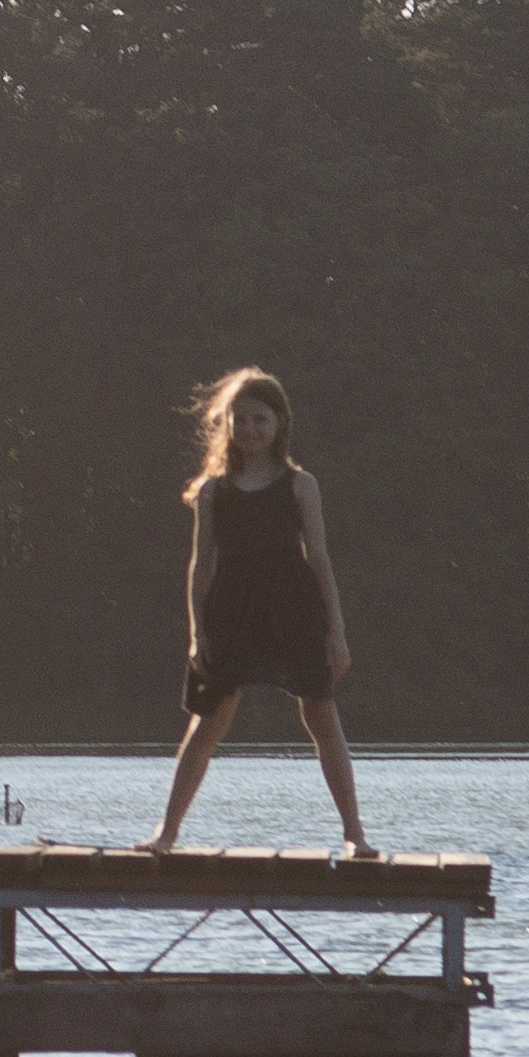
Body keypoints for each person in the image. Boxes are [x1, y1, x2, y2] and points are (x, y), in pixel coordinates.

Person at [147, 365, 370, 858]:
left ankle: (355, 834)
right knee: (208, 721)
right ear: (226, 423)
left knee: (322, 716)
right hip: (231, 611)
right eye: (240, 419)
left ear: (280, 423)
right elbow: (200, 566)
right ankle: (167, 833)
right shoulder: (213, 491)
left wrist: (336, 632)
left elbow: (320, 560)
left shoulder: (300, 485)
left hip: (294, 608)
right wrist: (197, 633)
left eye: (260, 419)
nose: (249, 429)